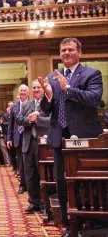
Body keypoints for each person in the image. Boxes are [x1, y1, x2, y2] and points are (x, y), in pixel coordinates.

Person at [38, 37, 103, 236]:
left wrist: (68, 89)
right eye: (63, 50)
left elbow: (94, 99)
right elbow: (48, 110)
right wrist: (48, 95)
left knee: (87, 181)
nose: (66, 53)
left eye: (70, 49)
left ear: (79, 52)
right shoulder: (52, 77)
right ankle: (67, 224)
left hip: (85, 137)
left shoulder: (92, 73)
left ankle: (91, 221)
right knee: (62, 181)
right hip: (59, 137)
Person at [16, 80, 50, 214]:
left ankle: (47, 205)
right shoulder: (27, 104)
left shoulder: (49, 103)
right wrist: (28, 120)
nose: (36, 89)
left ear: (43, 89)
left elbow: (53, 120)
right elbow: (18, 119)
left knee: (45, 175)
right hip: (28, 144)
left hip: (44, 144)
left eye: (38, 87)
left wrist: (38, 119)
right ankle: (34, 203)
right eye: (34, 87)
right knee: (30, 175)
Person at [7, 84, 29, 194]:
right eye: (21, 90)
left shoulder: (32, 104)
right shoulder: (14, 107)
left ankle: (31, 185)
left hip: (30, 137)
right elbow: (11, 124)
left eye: (25, 90)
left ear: (28, 93)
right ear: (18, 93)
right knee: (20, 163)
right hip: (18, 138)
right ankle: (22, 184)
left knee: (29, 163)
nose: (23, 92)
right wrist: (9, 138)